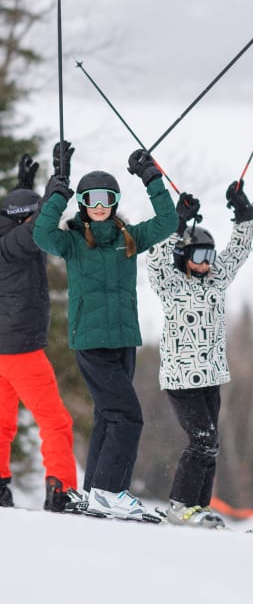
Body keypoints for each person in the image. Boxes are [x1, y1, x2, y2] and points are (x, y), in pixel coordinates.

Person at [32, 148, 177, 521]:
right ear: (82, 204)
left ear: (114, 202)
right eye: (91, 199)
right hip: (92, 343)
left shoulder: (127, 238)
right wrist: (57, 193)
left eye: (106, 199)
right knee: (128, 417)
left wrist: (152, 178)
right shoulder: (74, 242)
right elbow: (42, 234)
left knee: (109, 416)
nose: (99, 206)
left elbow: (168, 222)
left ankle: (97, 490)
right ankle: (112, 491)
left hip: (124, 341)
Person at [146, 181, 253, 528]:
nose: (207, 263)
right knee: (202, 439)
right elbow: (157, 259)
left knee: (212, 443)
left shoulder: (215, 281)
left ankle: (198, 507)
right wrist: (177, 223)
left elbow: (238, 251)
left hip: (211, 375)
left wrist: (244, 213)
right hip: (181, 376)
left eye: (210, 256)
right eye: (199, 256)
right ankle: (180, 505)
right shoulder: (171, 283)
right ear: (185, 256)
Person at [0, 147, 80, 512]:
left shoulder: (6, 233)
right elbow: (36, 228)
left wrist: (26, 188)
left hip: (4, 351)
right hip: (20, 352)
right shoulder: (18, 242)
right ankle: (60, 488)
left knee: (2, 423)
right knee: (55, 421)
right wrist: (56, 193)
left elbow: (22, 221)